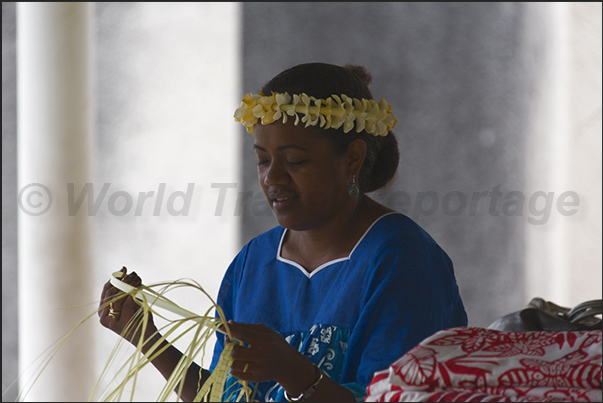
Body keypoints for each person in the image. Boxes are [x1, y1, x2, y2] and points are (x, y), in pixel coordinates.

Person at [99, 62, 468, 402]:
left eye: (295, 161)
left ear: (352, 159)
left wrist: (293, 372)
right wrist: (145, 335)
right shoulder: (252, 264)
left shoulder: (402, 259)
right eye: (263, 159)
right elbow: (221, 395)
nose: (271, 177)